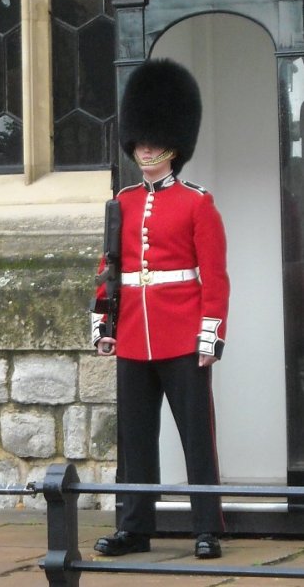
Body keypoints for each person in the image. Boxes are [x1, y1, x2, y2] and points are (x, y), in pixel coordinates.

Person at [91, 58, 230, 559]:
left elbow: (214, 279)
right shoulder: (123, 202)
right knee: (135, 439)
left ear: (174, 145)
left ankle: (207, 525)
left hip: (181, 335)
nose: (145, 150)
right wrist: (103, 324)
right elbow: (110, 269)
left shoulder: (198, 204)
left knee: (196, 435)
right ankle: (134, 526)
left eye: (154, 142)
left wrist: (210, 335)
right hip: (132, 335)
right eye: (140, 142)